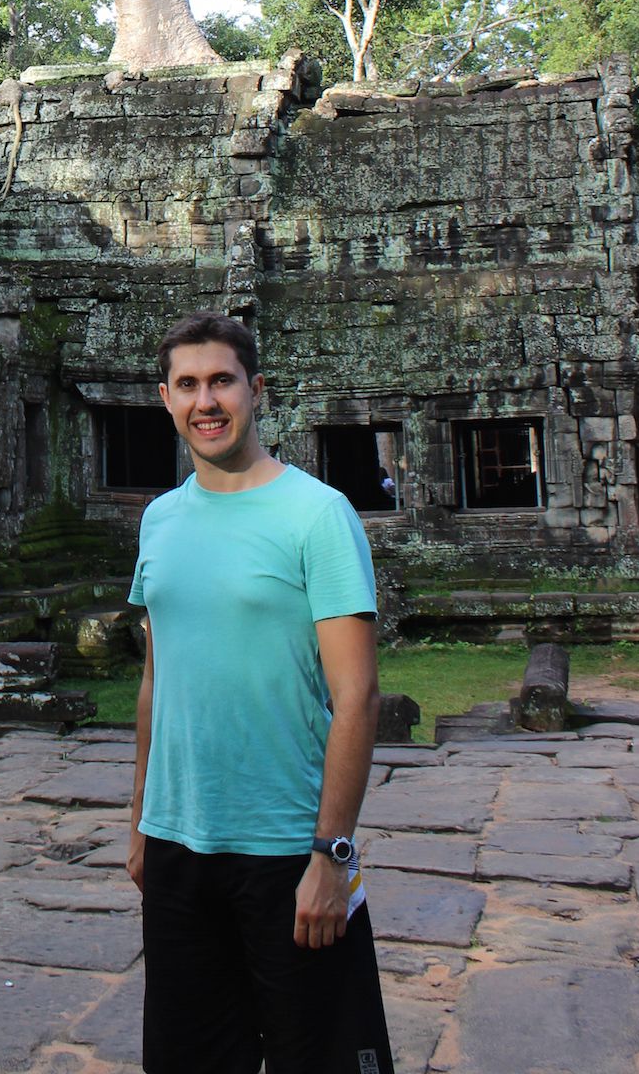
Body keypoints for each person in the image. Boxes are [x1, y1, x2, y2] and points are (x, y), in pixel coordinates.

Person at [127, 311, 394, 1074]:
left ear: (256, 392)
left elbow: (358, 696)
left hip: (287, 845)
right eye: (187, 385)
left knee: (323, 1058)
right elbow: (158, 676)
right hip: (179, 841)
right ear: (165, 398)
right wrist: (142, 816)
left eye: (221, 382)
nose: (205, 402)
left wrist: (332, 854)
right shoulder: (161, 519)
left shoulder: (316, 515)